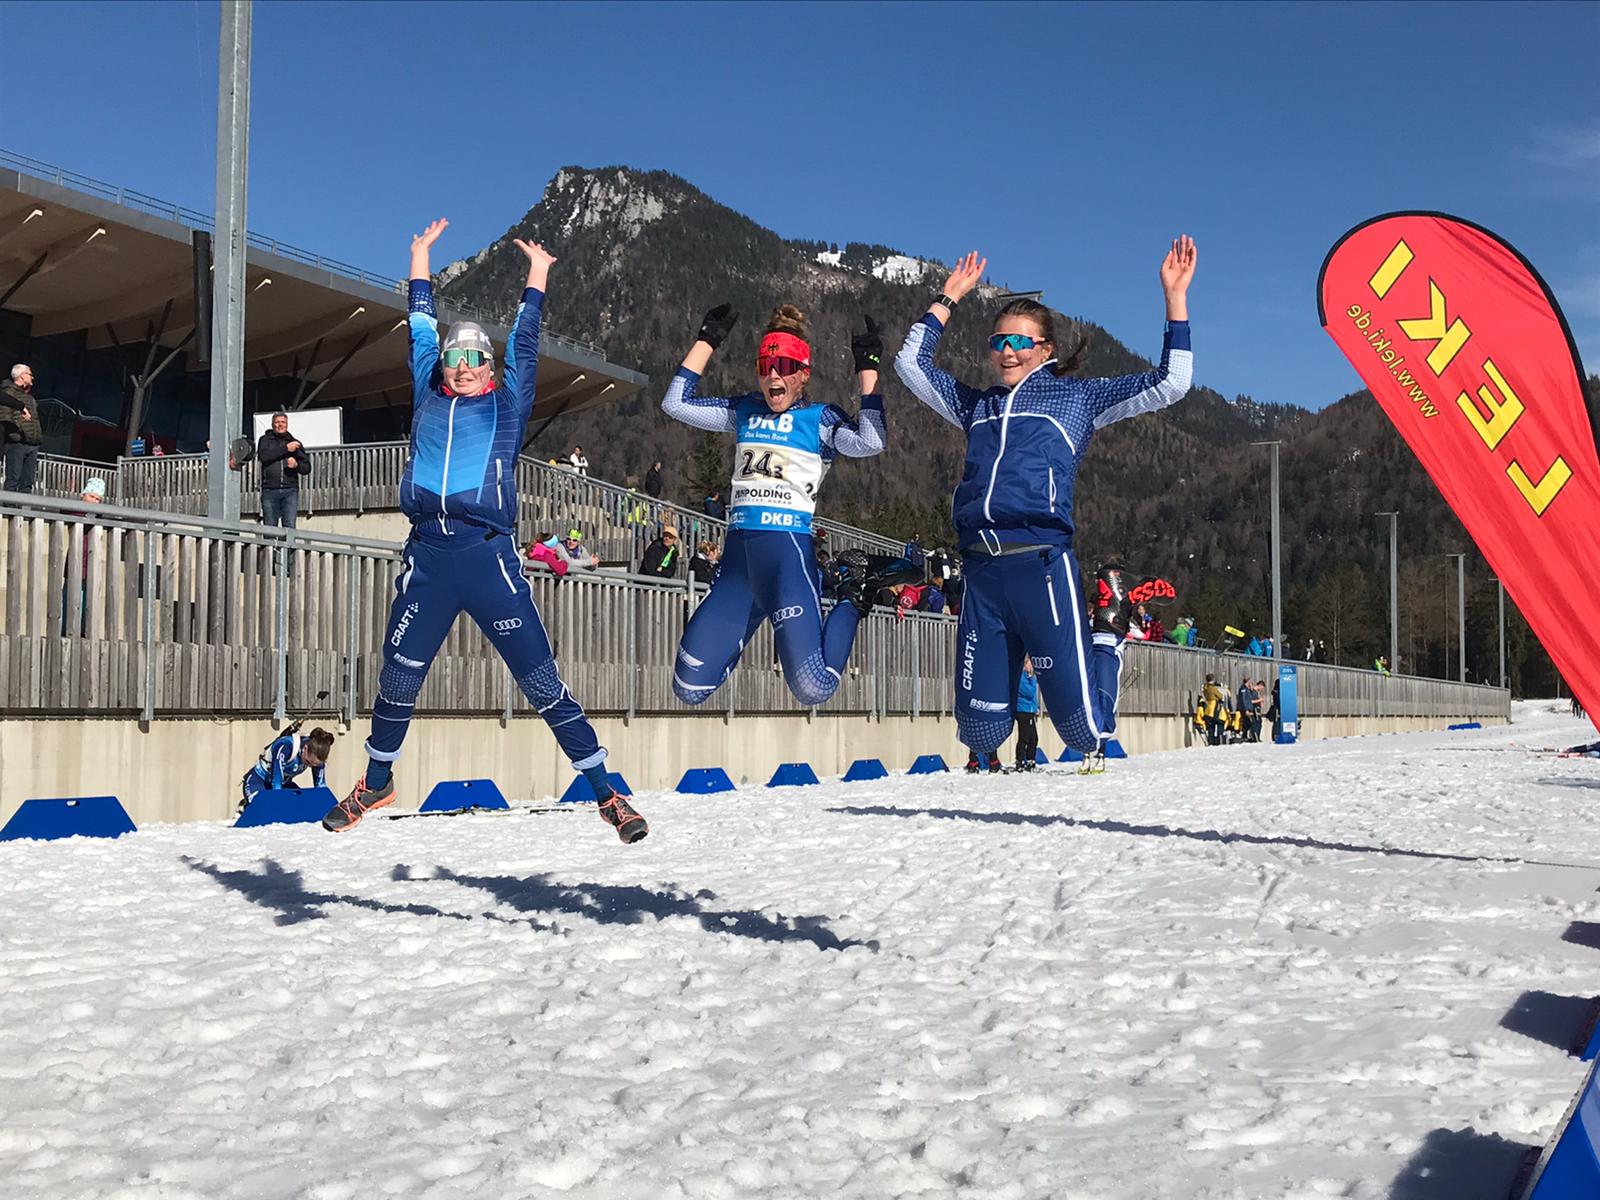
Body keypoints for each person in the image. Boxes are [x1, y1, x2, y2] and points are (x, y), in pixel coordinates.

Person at [322, 218, 645, 843]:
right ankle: (378, 780)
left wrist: (538, 277)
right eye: (455, 357)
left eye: (474, 358)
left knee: (541, 680)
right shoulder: (427, 393)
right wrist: (418, 259)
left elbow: (525, 344)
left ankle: (608, 794)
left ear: (488, 367)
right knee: (398, 671)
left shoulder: (506, 404)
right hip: (429, 558)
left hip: (488, 559)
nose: (463, 366)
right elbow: (419, 328)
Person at [896, 241, 1195, 766]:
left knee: (1082, 731)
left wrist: (1175, 299)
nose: (1007, 351)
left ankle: (1108, 637)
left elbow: (1172, 382)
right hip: (983, 572)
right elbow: (911, 366)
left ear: (1046, 349)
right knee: (980, 732)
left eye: (1019, 341)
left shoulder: (1076, 400)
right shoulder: (978, 405)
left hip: (1042, 566)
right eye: (998, 342)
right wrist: (948, 297)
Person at [661, 302, 915, 707]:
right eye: (765, 366)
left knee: (813, 687)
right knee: (688, 688)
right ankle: (752, 619)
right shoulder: (744, 410)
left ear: (803, 374)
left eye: (783, 365)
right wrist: (707, 340)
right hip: (739, 571)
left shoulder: (820, 420)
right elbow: (675, 403)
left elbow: (871, 441)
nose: (773, 374)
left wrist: (867, 367)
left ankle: (857, 591)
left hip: (787, 565)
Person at [241, 726, 334, 814]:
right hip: (258, 781)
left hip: (285, 784)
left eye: (314, 766)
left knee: (302, 806)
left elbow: (321, 787)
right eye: (308, 762)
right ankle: (243, 808)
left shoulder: (316, 760)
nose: (310, 766)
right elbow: (277, 784)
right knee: (266, 809)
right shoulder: (285, 746)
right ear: (305, 748)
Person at [257, 411, 309, 528]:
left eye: (283, 422)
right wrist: (286, 449)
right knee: (270, 526)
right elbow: (264, 457)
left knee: (289, 525)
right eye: (277, 422)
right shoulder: (265, 440)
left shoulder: (295, 443)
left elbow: (307, 468)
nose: (280, 425)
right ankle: (271, 547)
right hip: (270, 490)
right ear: (272, 424)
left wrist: (296, 465)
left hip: (290, 490)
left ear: (287, 424)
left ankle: (288, 547)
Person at [1, 363, 43, 493]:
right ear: (22, 376)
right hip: (17, 443)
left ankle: (24, 511)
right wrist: (16, 436)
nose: (32, 377)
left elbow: (34, 419)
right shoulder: (8, 393)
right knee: (13, 479)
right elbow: (5, 417)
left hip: (32, 442)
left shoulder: (30, 397)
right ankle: (9, 511)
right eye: (30, 374)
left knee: (28, 482)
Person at [1014, 656, 1040, 771]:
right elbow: (1029, 693)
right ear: (1025, 665)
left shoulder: (1027, 677)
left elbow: (1033, 697)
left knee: (1034, 738)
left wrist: (1036, 708)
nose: (1032, 667)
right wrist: (1033, 679)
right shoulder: (1021, 677)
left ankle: (1031, 760)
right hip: (1023, 711)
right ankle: (1019, 761)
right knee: (1024, 737)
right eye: (1030, 664)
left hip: (1030, 710)